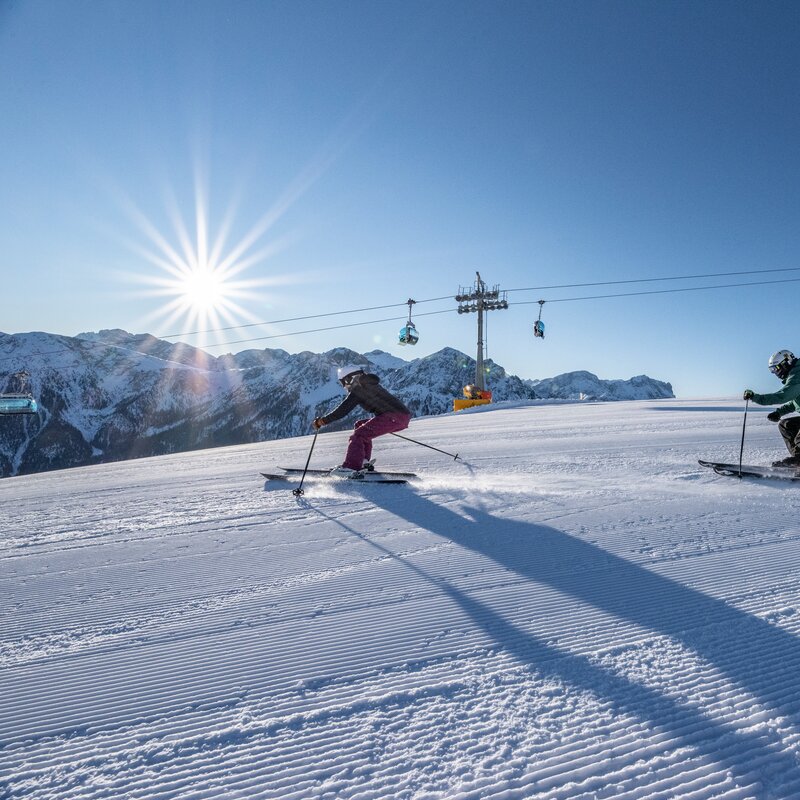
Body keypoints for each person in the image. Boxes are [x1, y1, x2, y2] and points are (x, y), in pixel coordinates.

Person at [313, 365, 412, 476]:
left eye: (343, 382)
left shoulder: (359, 389)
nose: (344, 386)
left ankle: (351, 467)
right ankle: (363, 462)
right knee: (360, 425)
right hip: (397, 416)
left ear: (350, 378)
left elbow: (343, 410)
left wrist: (322, 421)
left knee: (359, 435)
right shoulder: (368, 385)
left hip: (393, 417)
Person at [743, 349, 800, 467]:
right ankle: (797, 461)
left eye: (776, 368)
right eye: (772, 370)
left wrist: (755, 397)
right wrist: (779, 412)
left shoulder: (797, 375)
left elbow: (782, 396)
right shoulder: (795, 374)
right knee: (786, 425)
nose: (776, 373)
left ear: (786, 362)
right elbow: (796, 402)